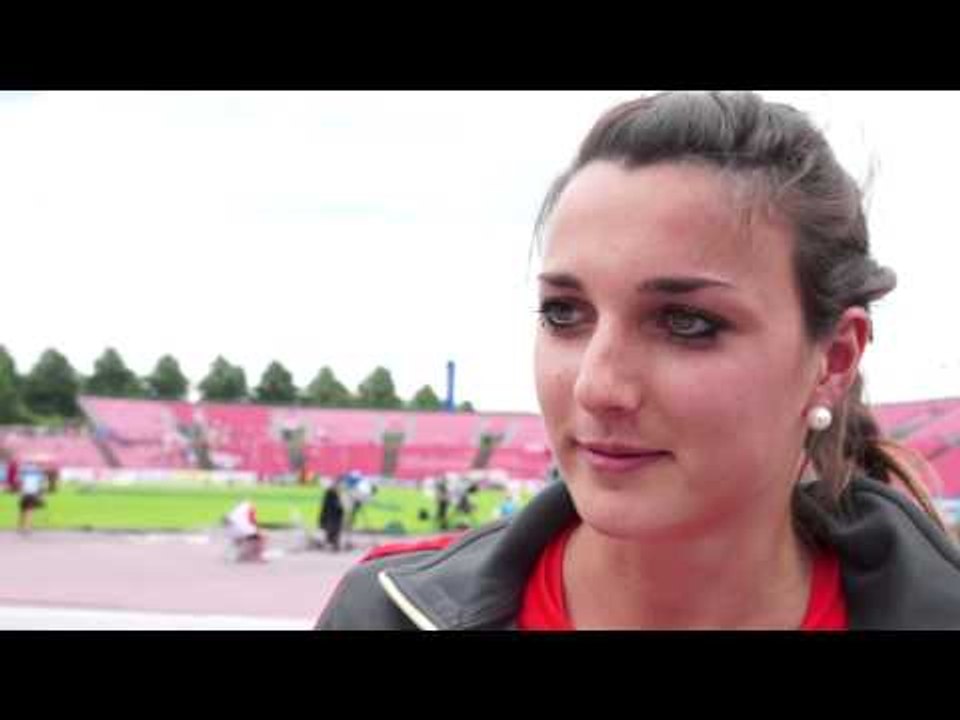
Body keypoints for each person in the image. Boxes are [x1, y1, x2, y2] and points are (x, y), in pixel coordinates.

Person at [316, 91, 960, 630]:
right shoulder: (384, 617)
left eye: (686, 323)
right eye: (564, 313)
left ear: (834, 359)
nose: (598, 386)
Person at [17, 462, 46, 535]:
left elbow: (20, 482)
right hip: (33, 493)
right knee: (30, 510)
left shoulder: (24, 471)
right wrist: (42, 495)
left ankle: (22, 526)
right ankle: (27, 527)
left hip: (25, 492)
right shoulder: (38, 472)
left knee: (23, 510)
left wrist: (19, 493)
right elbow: (41, 484)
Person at [319, 478, 346, 552]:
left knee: (334, 529)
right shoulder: (332, 491)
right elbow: (331, 504)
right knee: (333, 529)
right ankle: (333, 544)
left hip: (334, 514)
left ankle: (333, 543)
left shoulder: (335, 491)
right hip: (332, 514)